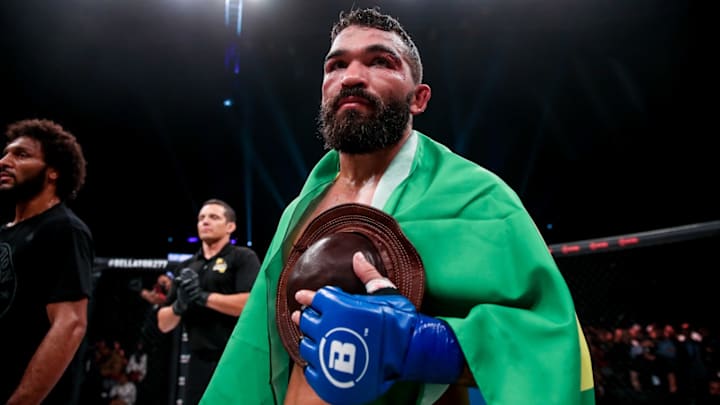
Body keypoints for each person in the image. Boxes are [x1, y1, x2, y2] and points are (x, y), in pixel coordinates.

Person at [201, 7, 595, 405]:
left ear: (419, 98)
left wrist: (422, 346)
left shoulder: (478, 198)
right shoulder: (298, 212)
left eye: (379, 62)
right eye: (337, 65)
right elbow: (257, 351)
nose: (352, 77)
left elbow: (550, 338)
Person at [0, 118, 95, 404]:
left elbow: (70, 324)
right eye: (5, 153)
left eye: (21, 155)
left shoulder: (64, 229)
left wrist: (22, 400)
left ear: (53, 172)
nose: (4, 162)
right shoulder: (6, 232)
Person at [156, 198, 261, 405]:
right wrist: (179, 306)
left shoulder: (243, 257)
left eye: (213, 217)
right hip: (198, 362)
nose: (205, 221)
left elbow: (249, 305)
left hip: (236, 358)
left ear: (230, 226)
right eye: (201, 218)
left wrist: (202, 297)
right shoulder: (186, 267)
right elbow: (163, 323)